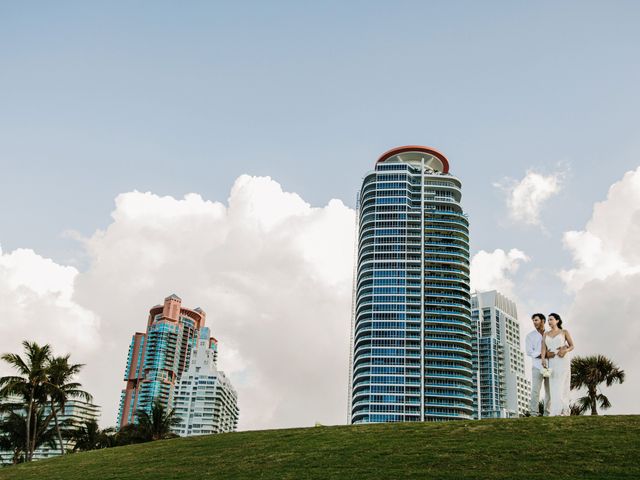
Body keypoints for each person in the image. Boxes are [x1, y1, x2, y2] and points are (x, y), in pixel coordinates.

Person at [541, 313, 575, 416]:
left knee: (562, 384)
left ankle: (563, 410)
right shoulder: (545, 334)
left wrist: (565, 350)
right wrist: (543, 358)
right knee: (554, 385)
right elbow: (543, 348)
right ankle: (555, 410)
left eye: (551, 319)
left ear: (557, 320)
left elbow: (572, 346)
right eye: (548, 320)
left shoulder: (564, 332)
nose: (549, 322)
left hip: (562, 359)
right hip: (552, 361)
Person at [525, 313, 551, 416]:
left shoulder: (550, 333)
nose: (534, 322)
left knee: (549, 391)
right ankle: (534, 413)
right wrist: (543, 355)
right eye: (533, 321)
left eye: (536, 320)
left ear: (543, 321)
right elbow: (529, 351)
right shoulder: (530, 336)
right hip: (537, 366)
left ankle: (547, 413)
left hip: (550, 366)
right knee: (535, 390)